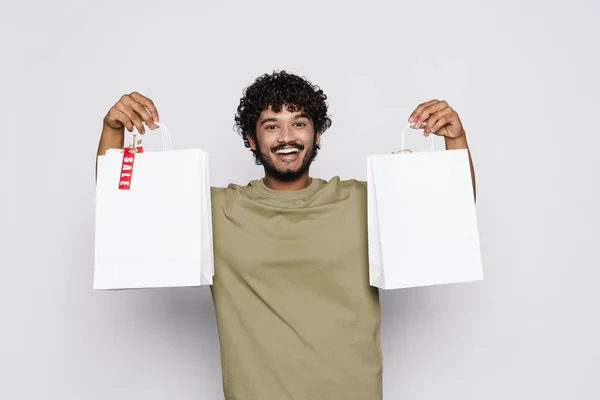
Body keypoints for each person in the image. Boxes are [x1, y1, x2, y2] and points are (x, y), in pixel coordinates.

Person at [96, 70, 476, 400]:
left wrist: (455, 140)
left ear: (318, 134)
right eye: (271, 125)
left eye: (298, 122)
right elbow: (121, 208)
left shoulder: (361, 199)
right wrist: (112, 130)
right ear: (251, 139)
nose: (286, 135)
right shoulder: (220, 210)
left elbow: (450, 212)